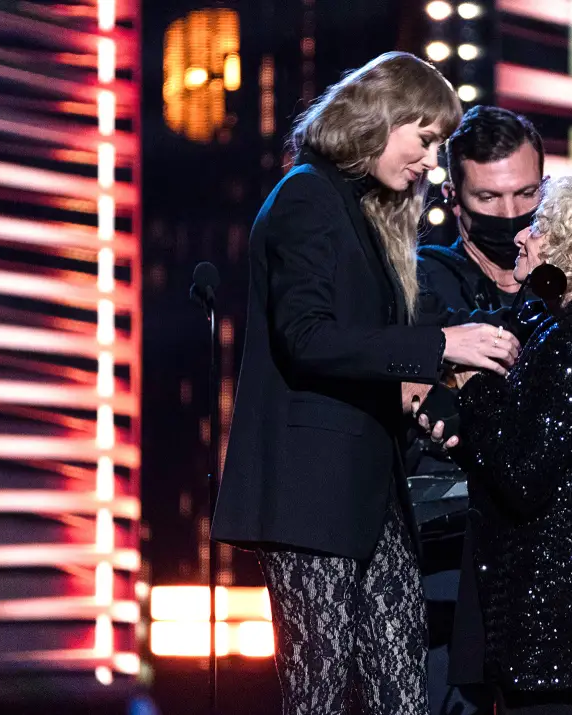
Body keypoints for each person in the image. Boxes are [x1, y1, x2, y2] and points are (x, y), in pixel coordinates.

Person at [210, 53, 520, 715]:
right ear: (383, 115)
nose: (429, 163)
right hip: (309, 496)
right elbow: (308, 336)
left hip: (371, 496)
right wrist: (438, 347)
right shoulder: (307, 196)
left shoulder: (367, 211)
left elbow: (413, 324)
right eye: (426, 140)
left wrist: (475, 346)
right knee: (317, 696)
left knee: (402, 696)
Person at [404, 106, 572, 714]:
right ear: (454, 196)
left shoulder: (566, 316)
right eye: (489, 198)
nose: (512, 217)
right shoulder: (427, 283)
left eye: (527, 197)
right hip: (453, 552)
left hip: (547, 583)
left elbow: (541, 453)